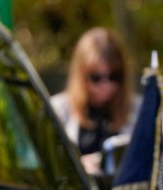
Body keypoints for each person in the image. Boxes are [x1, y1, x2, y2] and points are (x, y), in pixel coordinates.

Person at [51, 27, 140, 174]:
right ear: (81, 75)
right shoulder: (58, 109)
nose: (106, 86)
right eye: (96, 77)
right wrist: (79, 167)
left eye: (114, 76)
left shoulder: (138, 110)